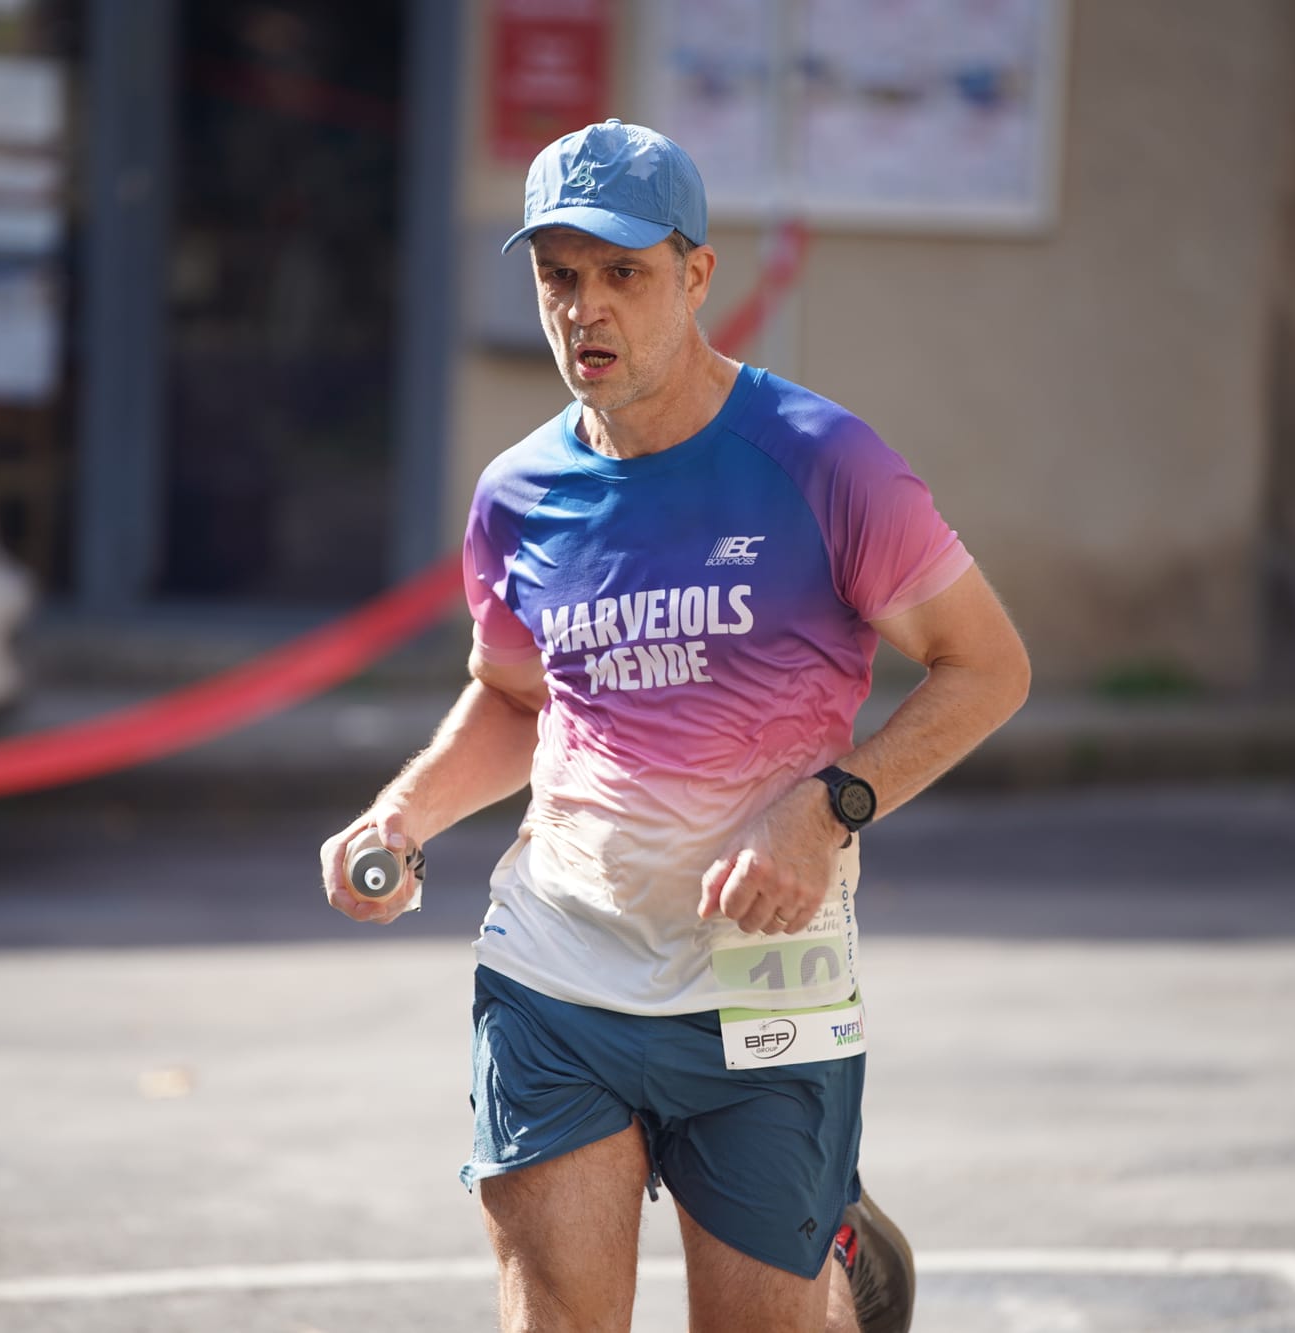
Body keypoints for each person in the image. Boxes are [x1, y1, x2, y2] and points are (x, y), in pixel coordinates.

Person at [321, 118, 1030, 1333]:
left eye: (622, 273)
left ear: (696, 276)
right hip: (559, 964)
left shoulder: (821, 462)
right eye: (558, 276)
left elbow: (987, 667)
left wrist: (826, 808)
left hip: (762, 971)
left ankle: (835, 1265)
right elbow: (515, 698)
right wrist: (402, 815)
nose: (583, 310)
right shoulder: (517, 494)